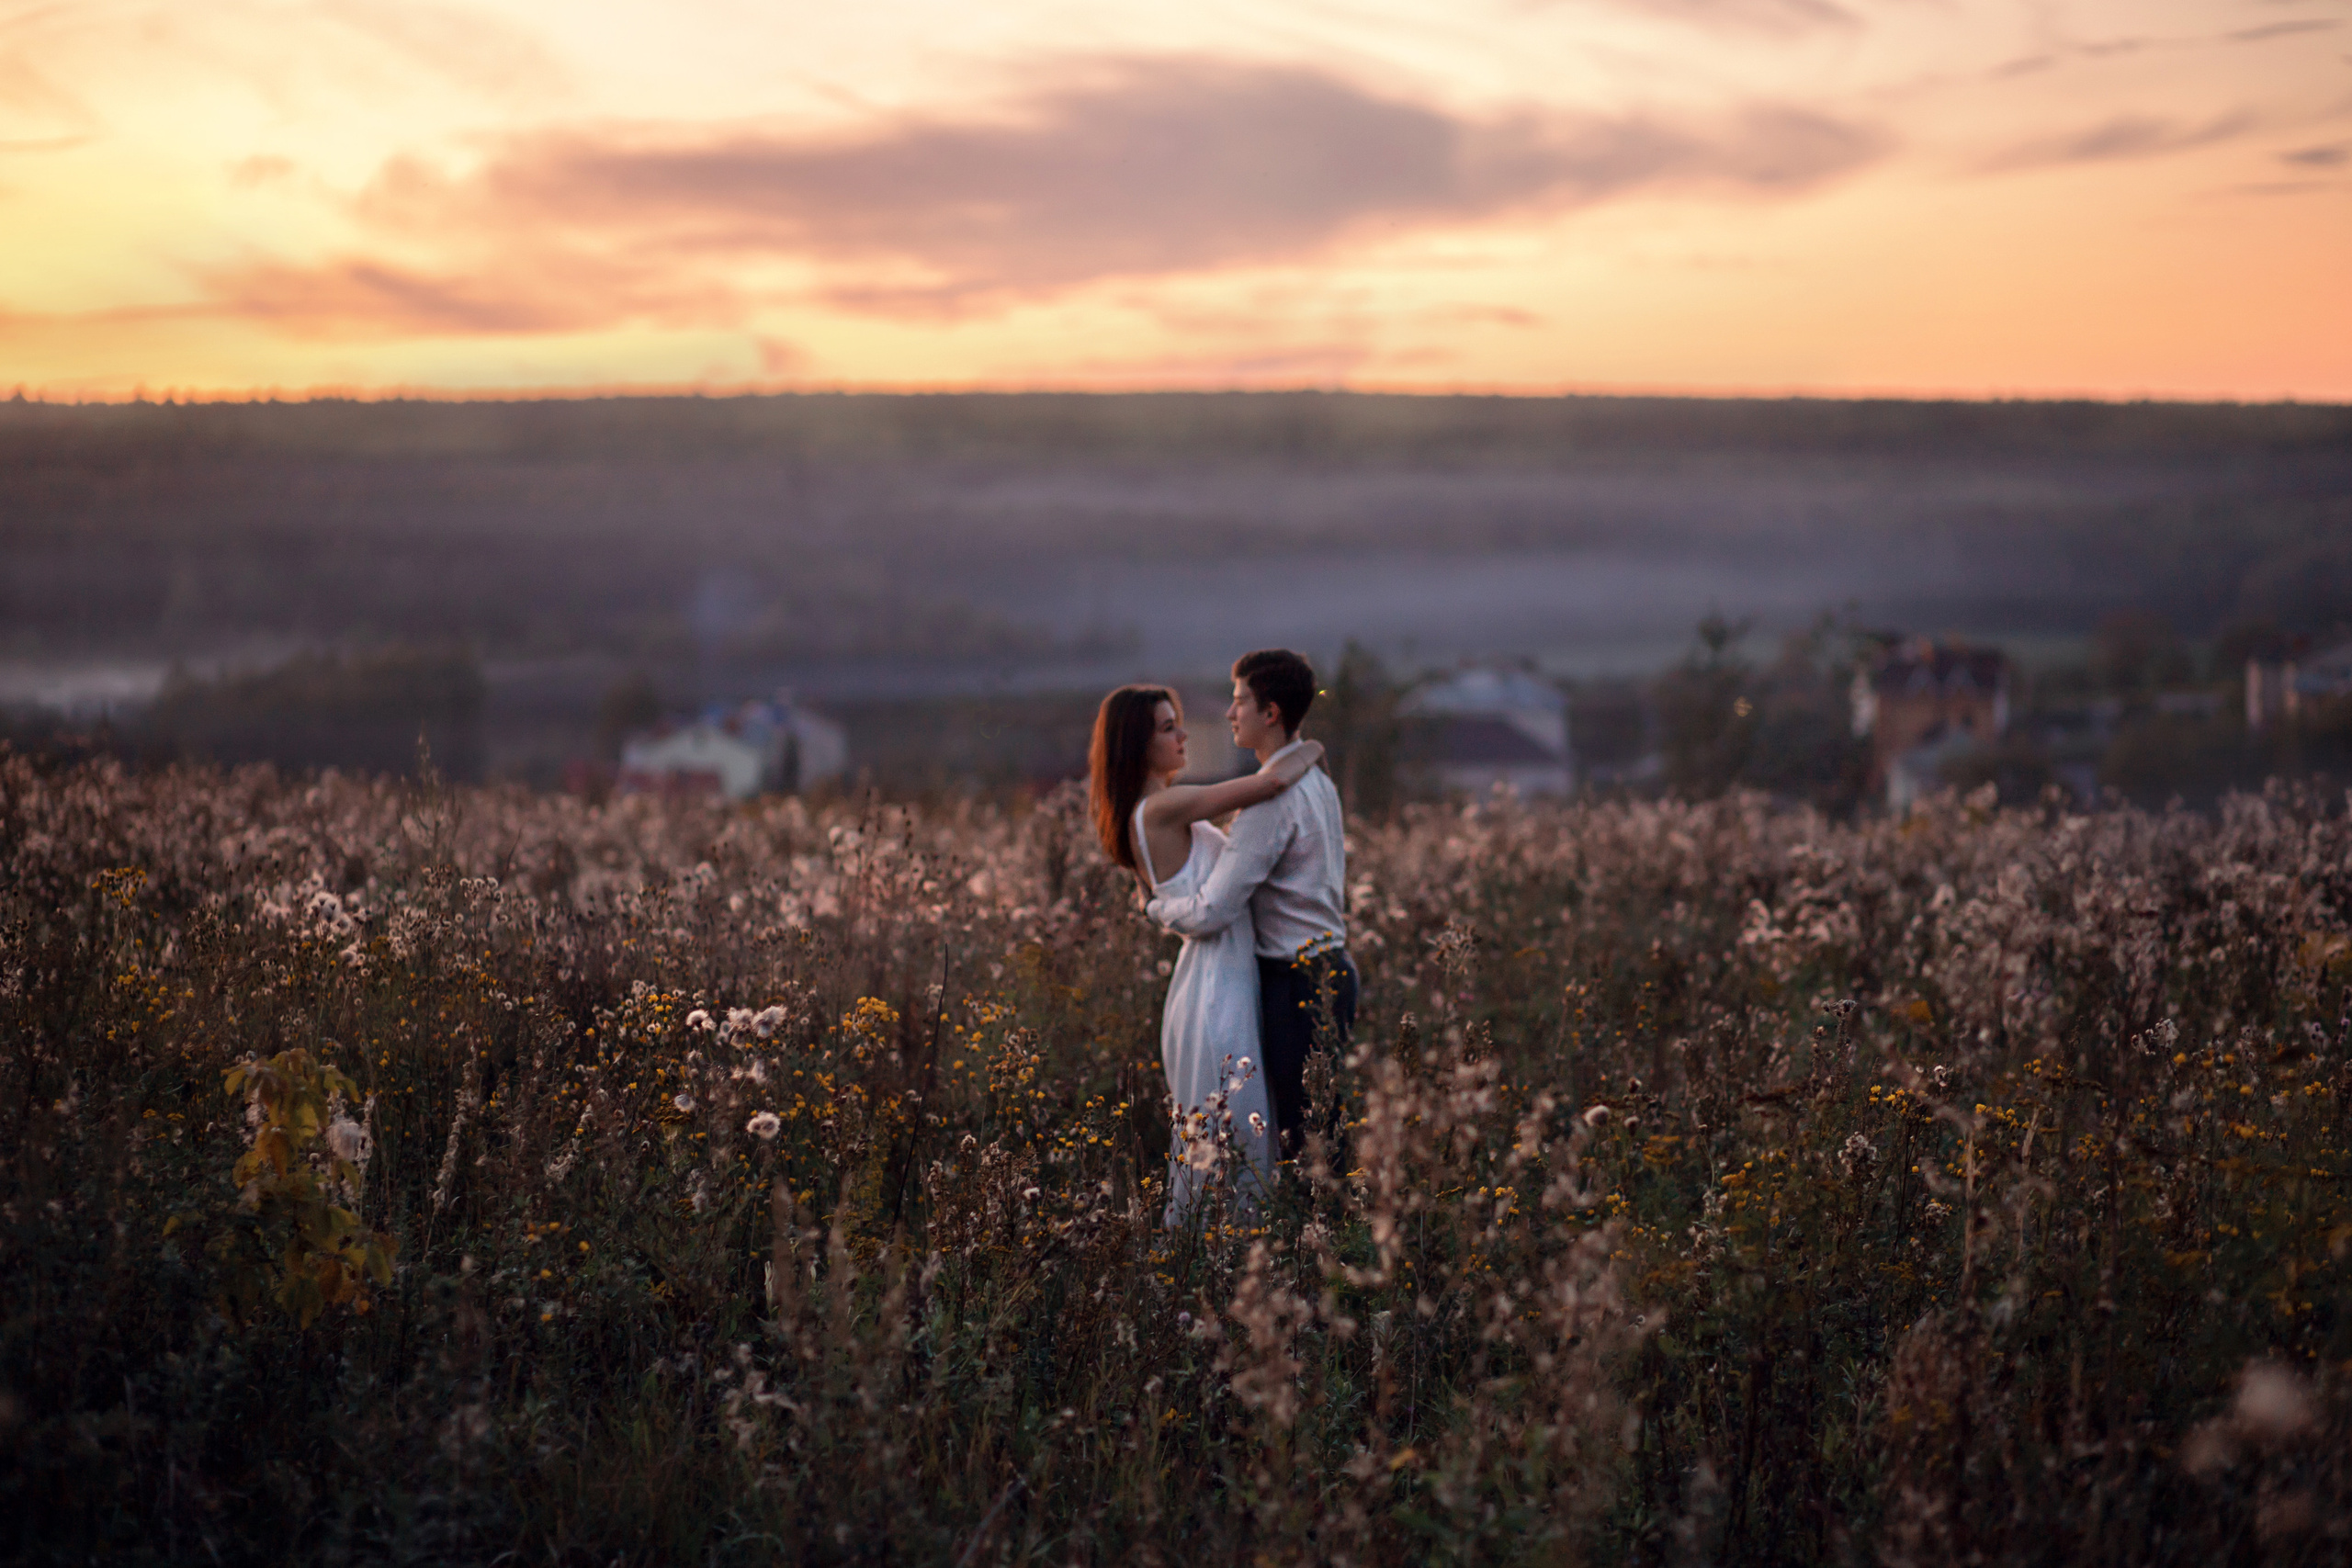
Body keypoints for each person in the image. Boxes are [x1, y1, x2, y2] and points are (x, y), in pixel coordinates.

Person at [1087, 683, 1325, 1225]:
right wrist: (1311, 748)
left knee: (1222, 1134)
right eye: (1168, 728)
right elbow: (1270, 782)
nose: (1183, 734)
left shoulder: (1151, 813)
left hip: (1211, 979)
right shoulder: (1164, 807)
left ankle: (1220, 1264)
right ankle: (1224, 1262)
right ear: (1136, 744)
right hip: (1217, 987)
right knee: (1231, 1130)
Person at [1146, 649, 1354, 1163]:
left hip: (1295, 984)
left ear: (1271, 713)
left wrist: (1156, 908)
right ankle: (1338, 1232)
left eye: (1239, 701)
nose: (1228, 713)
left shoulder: (1272, 803)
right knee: (1322, 1128)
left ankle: (1315, 1239)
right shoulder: (1318, 782)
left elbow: (1212, 912)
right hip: (1333, 971)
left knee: (1301, 1140)